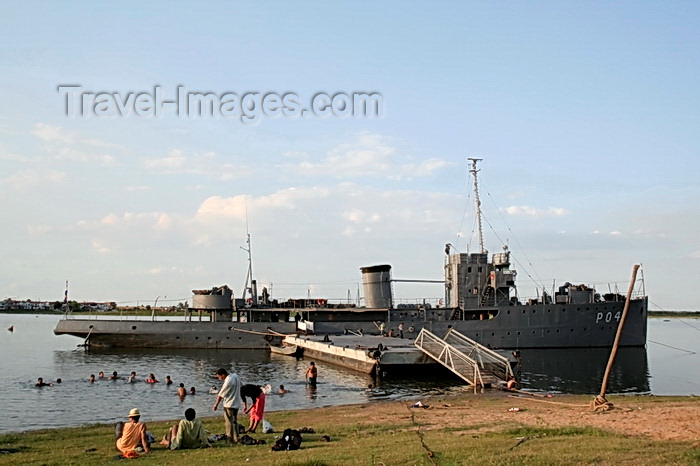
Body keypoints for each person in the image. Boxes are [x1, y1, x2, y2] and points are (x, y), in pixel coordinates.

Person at [213, 367, 242, 444]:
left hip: (229, 404)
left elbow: (221, 395)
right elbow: (241, 386)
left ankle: (230, 438)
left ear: (223, 375)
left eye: (219, 377)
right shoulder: (235, 376)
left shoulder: (228, 382)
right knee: (234, 421)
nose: (219, 379)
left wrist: (216, 404)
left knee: (229, 422)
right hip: (237, 402)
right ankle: (236, 437)